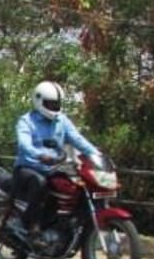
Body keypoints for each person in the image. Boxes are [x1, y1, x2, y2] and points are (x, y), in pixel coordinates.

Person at [13, 81, 100, 244]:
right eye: (50, 103)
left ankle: (63, 223)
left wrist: (95, 153)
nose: (54, 107)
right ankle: (32, 227)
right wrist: (39, 155)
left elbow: (77, 139)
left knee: (73, 187)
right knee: (40, 183)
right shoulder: (26, 121)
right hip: (28, 168)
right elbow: (24, 145)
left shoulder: (61, 121)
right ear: (39, 101)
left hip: (54, 168)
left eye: (56, 104)